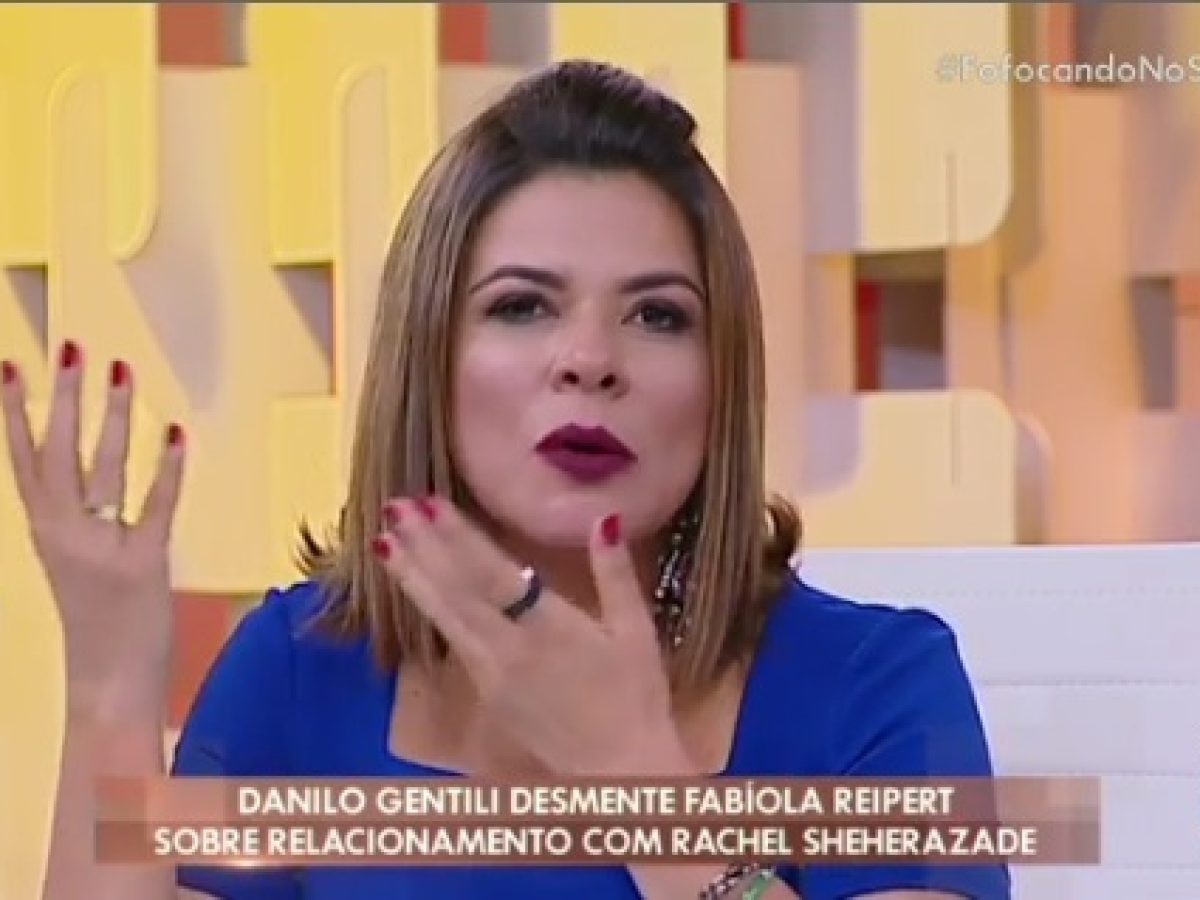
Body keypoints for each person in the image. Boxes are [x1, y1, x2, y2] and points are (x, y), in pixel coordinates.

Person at [1, 60, 1010, 900]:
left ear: (723, 381)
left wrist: (638, 779)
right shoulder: (300, 669)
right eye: (522, 306)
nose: (590, 360)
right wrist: (109, 685)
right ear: (430, 360)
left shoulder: (877, 683)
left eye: (658, 315)